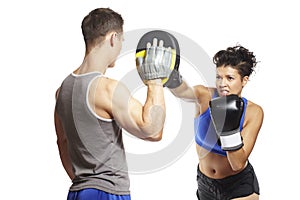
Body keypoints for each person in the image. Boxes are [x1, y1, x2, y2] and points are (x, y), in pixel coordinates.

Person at [54, 8, 172, 200]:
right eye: (121, 41)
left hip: (77, 192)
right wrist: (155, 81)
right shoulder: (107, 88)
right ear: (112, 38)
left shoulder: (62, 90)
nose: (119, 47)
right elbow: (152, 131)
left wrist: (84, 184)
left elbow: (62, 142)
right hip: (107, 192)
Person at [167, 45, 264, 200]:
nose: (222, 83)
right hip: (205, 184)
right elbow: (183, 92)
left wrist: (228, 130)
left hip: (238, 186)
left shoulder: (254, 112)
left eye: (230, 78)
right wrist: (170, 77)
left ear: (244, 80)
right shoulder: (204, 95)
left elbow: (237, 164)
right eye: (219, 77)